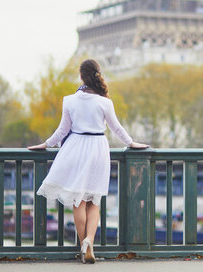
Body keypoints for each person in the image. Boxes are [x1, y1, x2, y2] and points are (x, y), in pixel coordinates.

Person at [27, 59, 148, 263]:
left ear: (81, 77)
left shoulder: (69, 100)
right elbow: (116, 129)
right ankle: (89, 242)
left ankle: (84, 245)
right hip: (98, 148)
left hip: (75, 147)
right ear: (98, 75)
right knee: (94, 200)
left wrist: (46, 144)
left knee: (79, 201)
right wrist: (132, 143)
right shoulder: (105, 102)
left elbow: (62, 131)